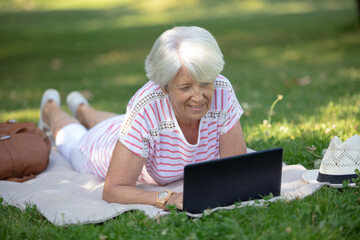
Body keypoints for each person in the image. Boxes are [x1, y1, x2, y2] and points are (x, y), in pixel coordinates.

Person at [39, 26, 247, 211]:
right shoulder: (145, 108)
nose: (198, 96)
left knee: (117, 121)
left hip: (128, 125)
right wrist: (167, 198)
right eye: (185, 87)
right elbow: (113, 190)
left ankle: (83, 109)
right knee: (73, 136)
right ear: (164, 87)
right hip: (101, 145)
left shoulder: (221, 89)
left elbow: (235, 168)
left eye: (205, 83)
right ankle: (50, 110)